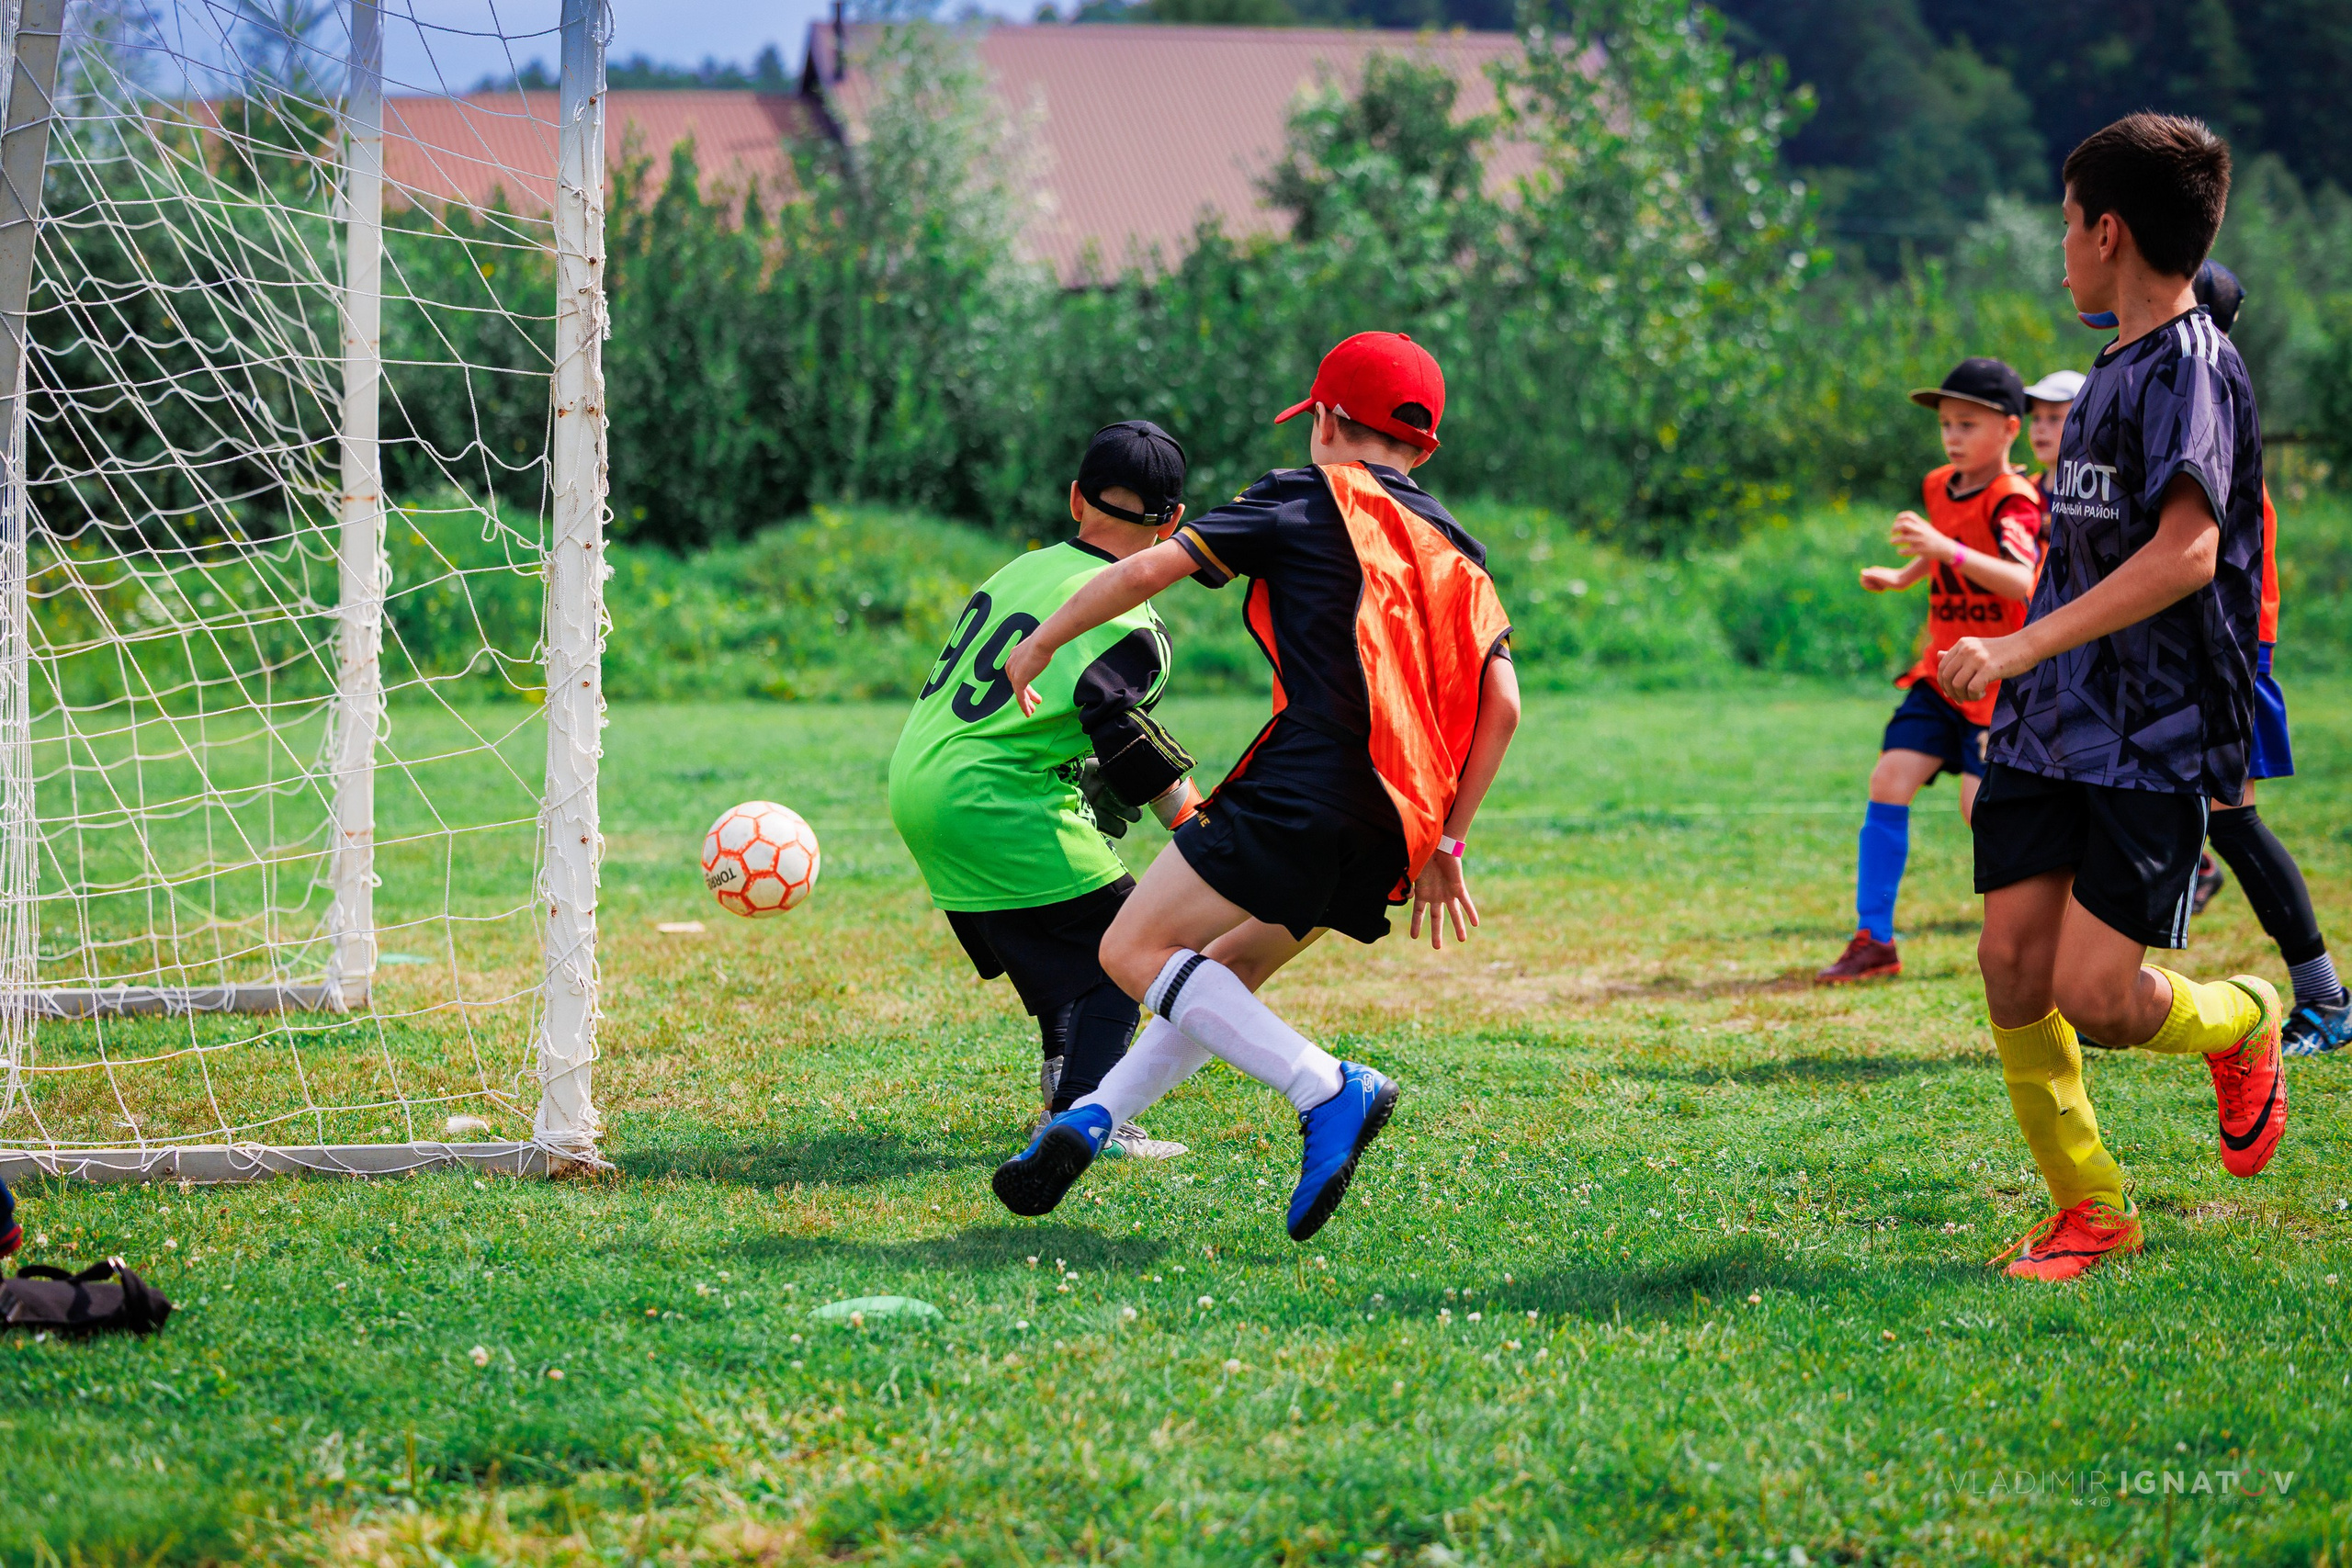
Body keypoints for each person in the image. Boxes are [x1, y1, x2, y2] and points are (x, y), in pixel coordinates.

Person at [987, 332, 1521, 1241]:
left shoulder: (1299, 491)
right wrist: (1447, 841)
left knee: (1131, 952)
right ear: (1424, 449)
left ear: (1322, 420)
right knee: (1222, 970)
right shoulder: (1457, 546)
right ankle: (1093, 1118)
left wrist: (1039, 640)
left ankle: (1328, 1088)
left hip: (1309, 782)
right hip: (1399, 820)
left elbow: (1149, 567)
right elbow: (1501, 704)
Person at [1940, 113, 2284, 1281]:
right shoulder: (2104, 374)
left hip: (2151, 730)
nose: (2062, 249)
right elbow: (2083, 548)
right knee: (2008, 967)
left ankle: (2243, 1015)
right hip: (2048, 722)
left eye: (2066, 226)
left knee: (2096, 997)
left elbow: (2186, 555)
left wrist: (2021, 645)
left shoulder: (2194, 367)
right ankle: (2091, 1208)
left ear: (2109, 229)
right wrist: (2012, 661)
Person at [887, 421, 1205, 1160]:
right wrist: (1197, 826)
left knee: (1077, 945)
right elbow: (1121, 735)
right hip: (992, 796)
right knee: (1138, 940)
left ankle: (1068, 1065)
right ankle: (1086, 1114)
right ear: (1175, 524)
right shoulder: (1136, 622)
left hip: (919, 781)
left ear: (1074, 500)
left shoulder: (1019, 570)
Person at [1815, 359, 2041, 984]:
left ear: (2008, 430)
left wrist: (1945, 552)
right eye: (1947, 424)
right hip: (1939, 674)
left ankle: (2035, 940)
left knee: (1982, 811)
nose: (1953, 436)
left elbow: (2023, 580)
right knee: (1888, 780)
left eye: (1968, 423)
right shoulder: (1941, 484)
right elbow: (1947, 542)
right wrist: (1907, 573)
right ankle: (1874, 939)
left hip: (1997, 683)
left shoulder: (2015, 502)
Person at [2179, 260, 2352, 1054]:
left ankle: (2325, 999)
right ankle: (2107, 986)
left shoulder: (2208, 399)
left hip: (2230, 646)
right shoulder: (2191, 392)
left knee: (2233, 820)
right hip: (2197, 645)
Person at [2020, 368, 2085, 526]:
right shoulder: (2023, 490)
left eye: (2054, 418)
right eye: (2035, 418)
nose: (2040, 428)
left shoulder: (2099, 495)